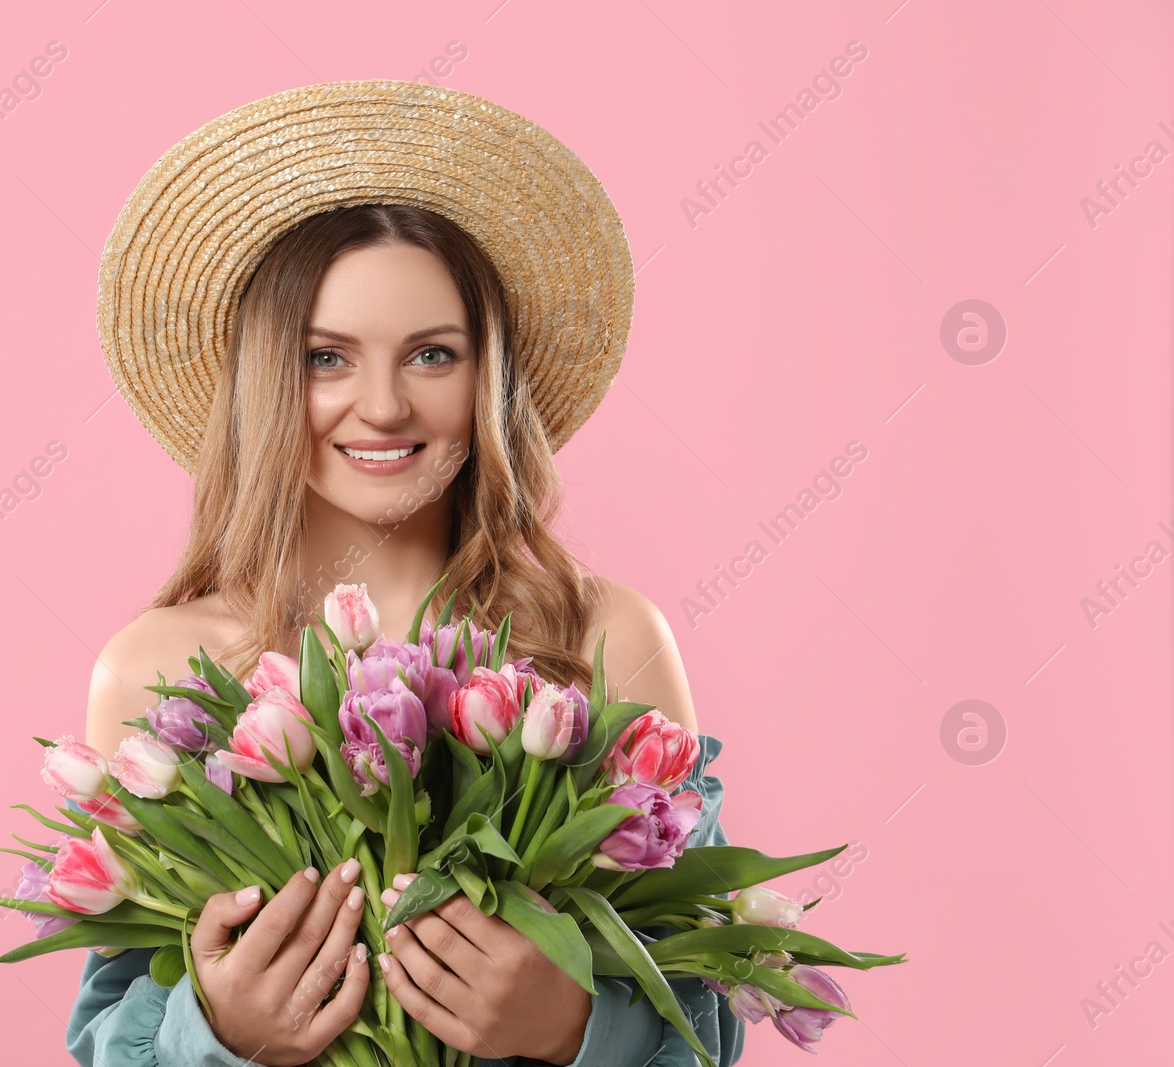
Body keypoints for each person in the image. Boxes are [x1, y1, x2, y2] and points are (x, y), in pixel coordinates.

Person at [67, 79, 746, 1066]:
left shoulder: (605, 641)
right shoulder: (156, 668)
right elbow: (113, 1034)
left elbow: (708, 1010)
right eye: (324, 358)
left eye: (432, 353)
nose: (380, 405)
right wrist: (219, 1032)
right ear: (265, 380)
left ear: (489, 379)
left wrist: (573, 1027)